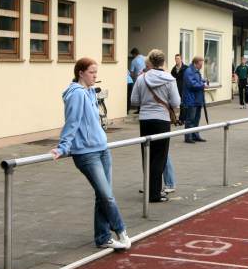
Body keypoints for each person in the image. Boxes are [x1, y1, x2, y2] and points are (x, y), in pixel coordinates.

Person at [51, 58, 131, 250]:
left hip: (102, 148)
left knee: (103, 196)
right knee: (107, 196)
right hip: (87, 153)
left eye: (96, 72)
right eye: (92, 72)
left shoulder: (89, 93)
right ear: (81, 73)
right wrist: (63, 147)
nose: (95, 76)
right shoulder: (76, 95)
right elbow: (73, 122)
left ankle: (103, 238)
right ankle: (121, 231)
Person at [131, 49, 180, 203]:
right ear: (163, 62)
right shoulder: (170, 79)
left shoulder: (141, 78)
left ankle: (150, 188)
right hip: (162, 120)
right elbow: (176, 102)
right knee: (160, 156)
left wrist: (146, 102)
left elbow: (134, 101)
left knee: (147, 154)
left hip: (145, 119)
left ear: (150, 62)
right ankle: (154, 193)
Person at [183, 56, 207, 143]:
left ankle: (195, 135)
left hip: (197, 99)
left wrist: (204, 81)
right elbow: (192, 84)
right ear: (195, 63)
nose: (201, 66)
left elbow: (197, 80)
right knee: (190, 119)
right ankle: (188, 137)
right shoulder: (189, 71)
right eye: (201, 64)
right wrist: (203, 85)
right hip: (191, 99)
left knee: (196, 119)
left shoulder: (195, 71)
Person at [171, 54, 188, 125]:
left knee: (183, 105)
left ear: (181, 59)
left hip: (184, 89)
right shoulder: (173, 69)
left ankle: (182, 119)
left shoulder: (186, 68)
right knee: (174, 104)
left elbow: (188, 79)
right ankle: (174, 119)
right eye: (175, 59)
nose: (176, 60)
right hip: (176, 89)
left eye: (178, 59)